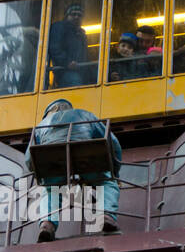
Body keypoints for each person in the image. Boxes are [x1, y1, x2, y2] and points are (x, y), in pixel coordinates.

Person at [26, 98, 122, 241]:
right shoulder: (84, 114)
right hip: (86, 160)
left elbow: (28, 158)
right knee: (107, 182)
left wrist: (40, 175)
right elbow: (113, 143)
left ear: (48, 113)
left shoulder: (41, 125)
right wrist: (115, 171)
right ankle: (106, 216)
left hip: (54, 163)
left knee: (50, 189)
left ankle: (47, 224)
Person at [46, 2, 92, 88]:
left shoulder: (82, 34)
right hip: (65, 71)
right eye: (73, 14)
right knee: (76, 85)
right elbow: (54, 48)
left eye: (79, 15)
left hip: (81, 71)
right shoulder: (59, 27)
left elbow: (86, 55)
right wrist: (67, 62)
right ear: (67, 16)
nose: (76, 17)